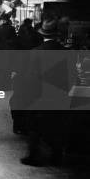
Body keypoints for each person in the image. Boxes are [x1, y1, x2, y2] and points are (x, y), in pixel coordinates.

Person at [19, 19, 68, 166]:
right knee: (56, 126)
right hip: (59, 95)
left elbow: (30, 78)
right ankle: (57, 156)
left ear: (42, 34)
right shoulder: (66, 52)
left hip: (38, 95)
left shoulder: (35, 52)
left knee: (34, 126)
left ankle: (34, 156)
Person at [0, 14, 18, 90]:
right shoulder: (12, 28)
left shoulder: (0, 28)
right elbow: (15, 40)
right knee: (8, 69)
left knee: (0, 69)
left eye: (0, 20)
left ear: (3, 20)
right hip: (9, 52)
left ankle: (0, 85)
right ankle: (7, 85)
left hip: (1, 52)